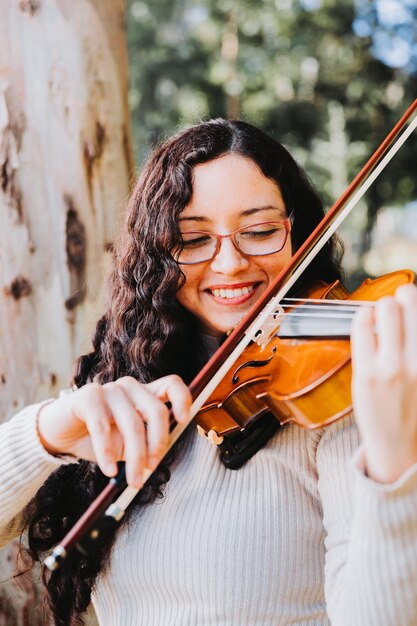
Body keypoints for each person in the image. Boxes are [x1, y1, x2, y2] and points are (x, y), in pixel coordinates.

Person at [1, 119, 417, 626]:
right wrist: (48, 433)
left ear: (297, 232)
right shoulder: (129, 387)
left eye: (260, 231)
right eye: (193, 239)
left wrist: (394, 460)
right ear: (156, 255)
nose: (230, 263)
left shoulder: (337, 402)